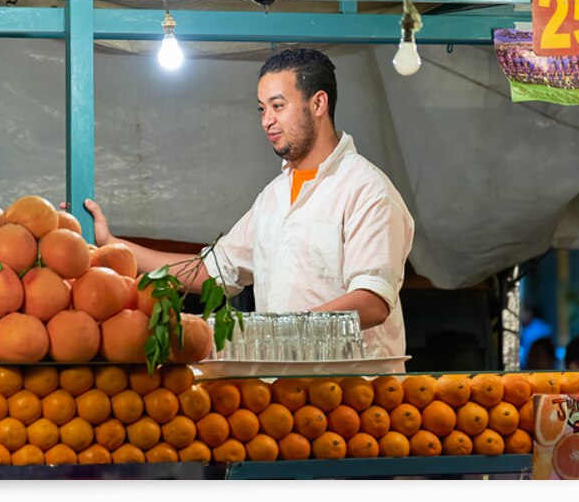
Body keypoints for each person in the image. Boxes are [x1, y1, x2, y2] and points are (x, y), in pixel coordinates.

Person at [83, 48, 415, 369]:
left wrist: (271, 333)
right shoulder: (274, 197)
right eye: (262, 109)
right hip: (281, 395)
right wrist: (113, 247)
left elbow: (372, 302)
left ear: (318, 103)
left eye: (278, 106)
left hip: (356, 397)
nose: (267, 121)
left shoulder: (366, 189)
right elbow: (211, 270)